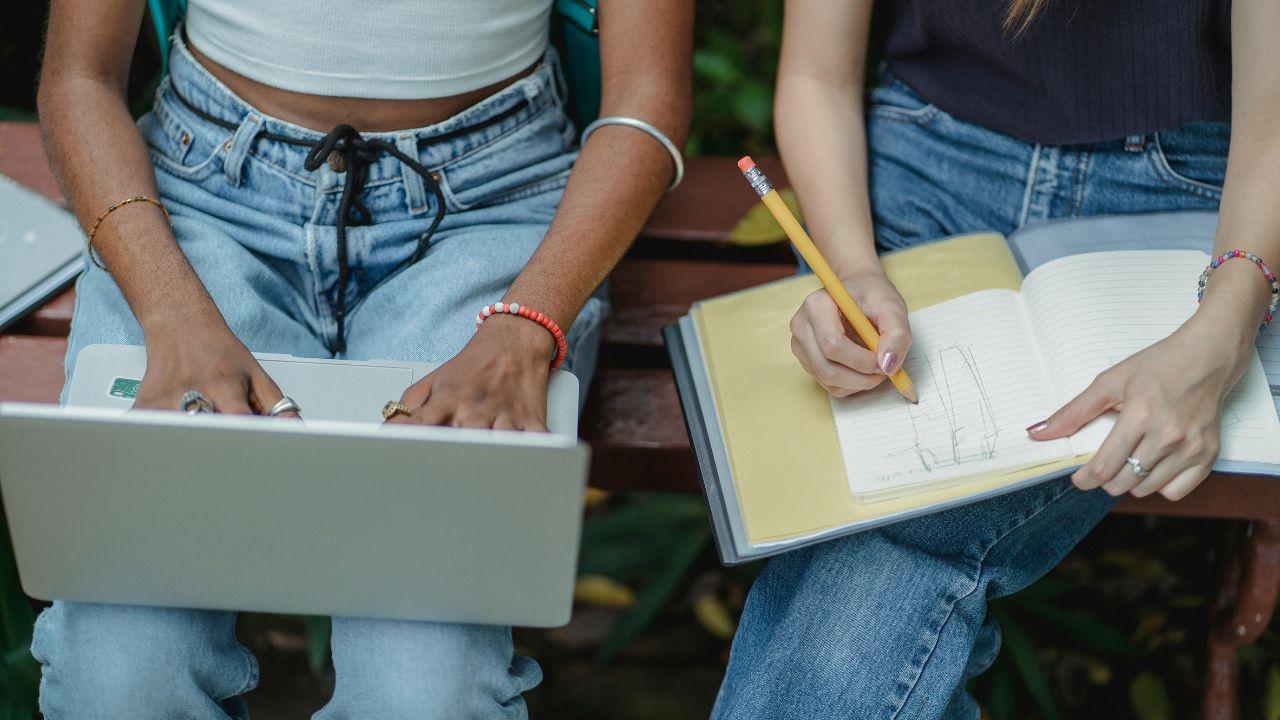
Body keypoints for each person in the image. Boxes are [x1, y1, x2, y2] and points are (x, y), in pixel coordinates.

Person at [32, 0, 690, 716]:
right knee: (120, 676)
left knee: (425, 691)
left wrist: (523, 326)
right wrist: (170, 311)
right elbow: (79, 77)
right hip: (193, 207)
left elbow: (645, 97)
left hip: (491, 213)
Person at [714, 1, 1279, 717]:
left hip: (1185, 189)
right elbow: (816, 75)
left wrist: (1222, 331)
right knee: (884, 514)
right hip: (919, 166)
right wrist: (851, 268)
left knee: (879, 541)